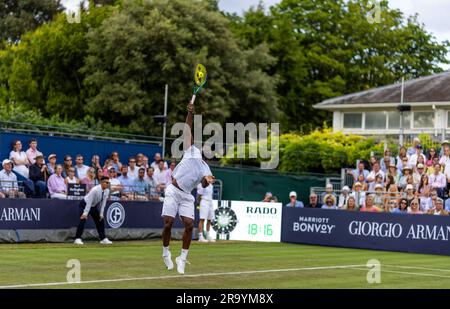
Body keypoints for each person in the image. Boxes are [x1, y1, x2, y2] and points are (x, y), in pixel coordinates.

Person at [161, 102, 215, 275]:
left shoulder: (206, 169)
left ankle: (182, 259)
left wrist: (207, 181)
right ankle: (165, 253)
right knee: (168, 223)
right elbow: (187, 129)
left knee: (189, 225)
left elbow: (205, 184)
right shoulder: (192, 150)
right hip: (173, 190)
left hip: (187, 196)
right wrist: (190, 113)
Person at [74, 176, 113, 245]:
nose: (108, 184)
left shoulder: (107, 191)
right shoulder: (95, 190)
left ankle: (103, 239)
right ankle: (77, 239)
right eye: (106, 182)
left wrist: (101, 214)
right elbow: (89, 202)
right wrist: (85, 213)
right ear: (101, 182)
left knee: (100, 220)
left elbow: (103, 203)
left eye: (108, 182)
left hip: (93, 207)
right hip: (84, 204)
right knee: (83, 219)